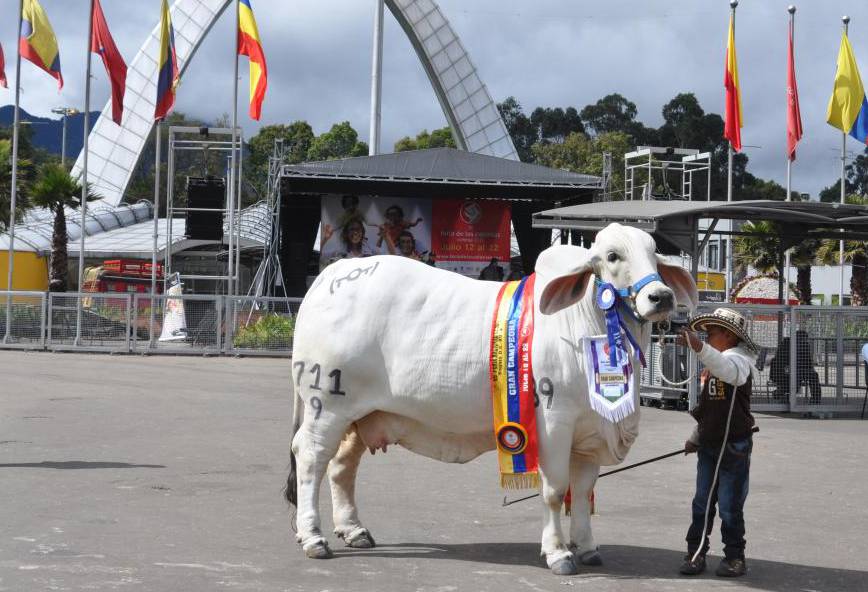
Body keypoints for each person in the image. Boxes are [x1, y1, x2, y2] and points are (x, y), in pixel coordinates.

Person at [678, 307, 758, 578]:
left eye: (712, 333)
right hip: (710, 445)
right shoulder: (715, 364)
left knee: (729, 506)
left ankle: (735, 557)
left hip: (734, 447)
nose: (707, 337)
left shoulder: (739, 362)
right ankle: (695, 552)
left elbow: (730, 372)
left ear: (729, 335)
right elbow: (708, 409)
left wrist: (698, 347)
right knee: (701, 502)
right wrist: (696, 437)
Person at [768, 332, 821, 404]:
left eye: (804, 340)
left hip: (799, 370)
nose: (803, 341)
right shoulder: (786, 344)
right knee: (796, 378)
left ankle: (816, 400)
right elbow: (780, 359)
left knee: (813, 375)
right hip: (786, 370)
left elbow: (808, 362)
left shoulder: (805, 346)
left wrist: (809, 369)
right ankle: (783, 394)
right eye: (802, 339)